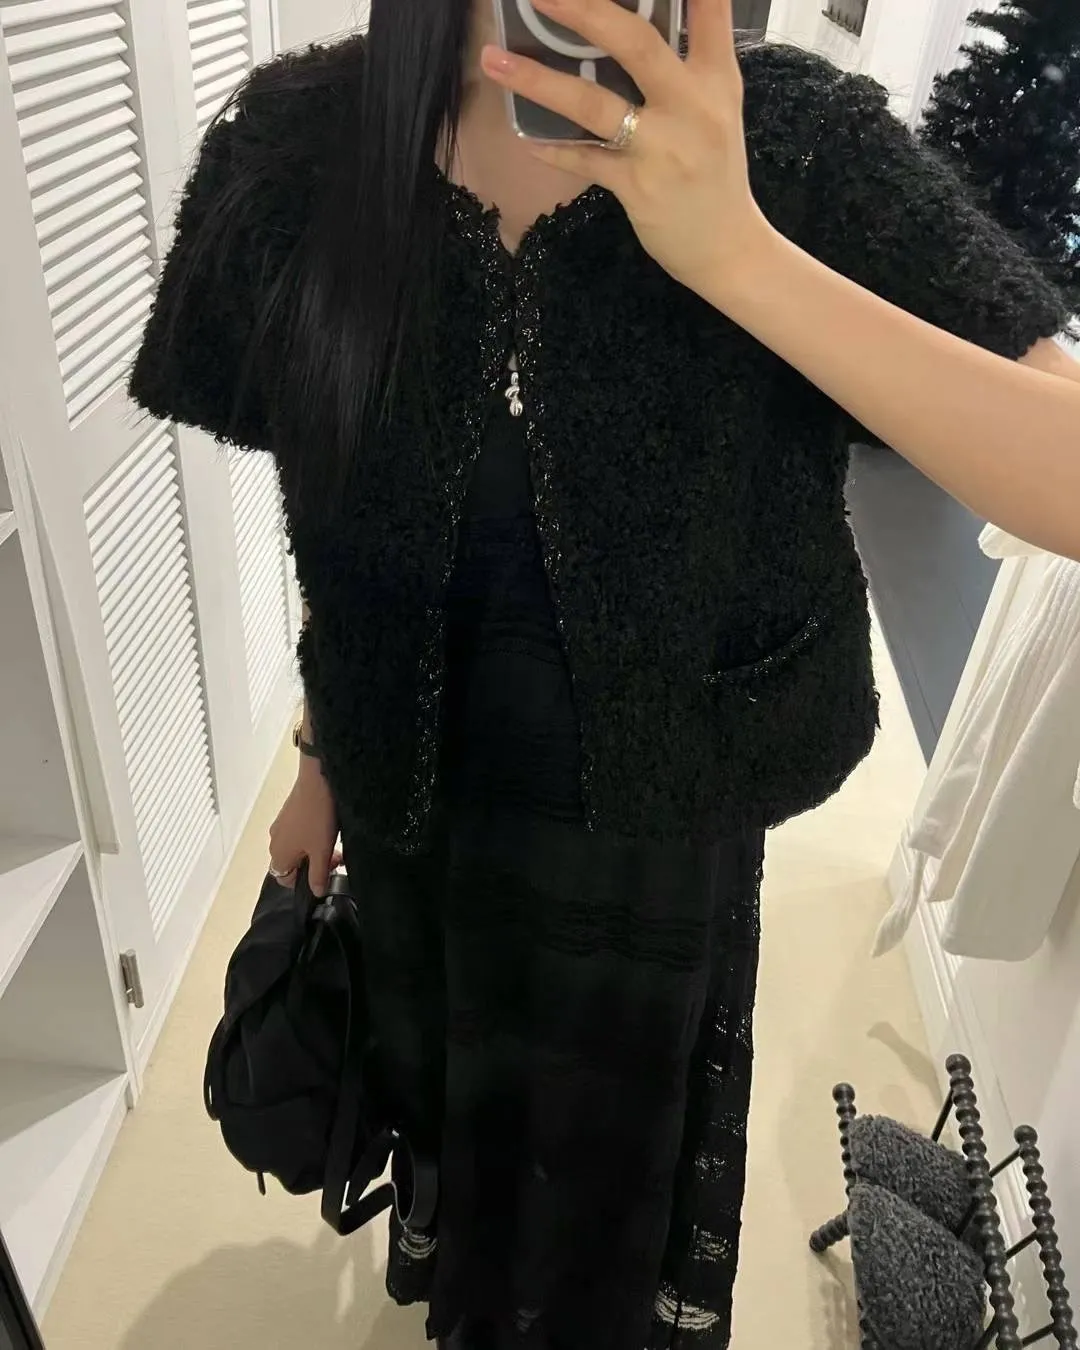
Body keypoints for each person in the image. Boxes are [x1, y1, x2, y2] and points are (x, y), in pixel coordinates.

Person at [130, 0, 1080, 1345]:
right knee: (460, 1139)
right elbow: (343, 526)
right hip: (421, 828)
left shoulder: (795, 145)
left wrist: (739, 254)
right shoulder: (300, 149)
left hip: (654, 855)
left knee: (604, 1210)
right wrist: (319, 763)